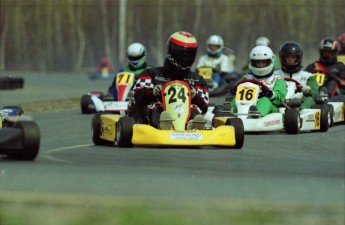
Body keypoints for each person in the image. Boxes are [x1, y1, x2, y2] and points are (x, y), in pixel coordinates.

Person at [133, 31, 209, 130]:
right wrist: (152, 92)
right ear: (171, 52)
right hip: (156, 117)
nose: (185, 58)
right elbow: (137, 95)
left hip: (186, 118)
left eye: (189, 54)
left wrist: (195, 96)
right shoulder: (151, 74)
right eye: (182, 54)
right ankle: (164, 125)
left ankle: (193, 125)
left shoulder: (197, 79)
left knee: (194, 108)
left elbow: (204, 106)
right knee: (157, 108)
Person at [231, 45, 287, 117]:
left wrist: (271, 94)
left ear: (271, 61)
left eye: (263, 62)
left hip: (271, 111)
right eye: (258, 62)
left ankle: (255, 115)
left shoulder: (278, 80)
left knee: (265, 100)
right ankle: (226, 116)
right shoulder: (246, 78)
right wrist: (235, 90)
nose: (260, 65)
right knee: (235, 100)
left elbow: (281, 98)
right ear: (252, 63)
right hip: (245, 107)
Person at [275, 41, 318, 109]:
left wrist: (308, 90)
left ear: (298, 58)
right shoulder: (275, 74)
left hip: (299, 106)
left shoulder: (308, 76)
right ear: (283, 58)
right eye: (288, 57)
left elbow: (314, 93)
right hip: (278, 105)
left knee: (311, 97)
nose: (290, 60)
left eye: (293, 57)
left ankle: (301, 110)